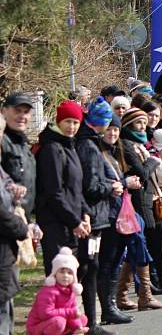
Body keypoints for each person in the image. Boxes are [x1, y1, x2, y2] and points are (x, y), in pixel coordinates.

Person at [73, 98, 124, 335]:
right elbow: (90, 186)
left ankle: (91, 320)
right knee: (88, 268)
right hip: (92, 216)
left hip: (95, 215)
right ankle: (88, 322)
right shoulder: (89, 147)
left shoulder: (87, 143)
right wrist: (110, 186)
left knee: (91, 267)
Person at [118, 107, 162, 310]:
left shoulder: (139, 143)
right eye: (138, 123)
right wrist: (153, 161)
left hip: (148, 196)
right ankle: (141, 292)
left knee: (144, 243)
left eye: (143, 122)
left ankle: (135, 292)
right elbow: (142, 172)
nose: (143, 125)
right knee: (142, 242)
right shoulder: (127, 145)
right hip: (137, 199)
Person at [36, 100, 91, 276]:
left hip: (71, 222)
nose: (72, 127)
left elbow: (76, 188)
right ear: (59, 121)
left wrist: (85, 213)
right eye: (67, 121)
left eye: (76, 122)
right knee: (58, 277)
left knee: (74, 277)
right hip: (55, 223)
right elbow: (54, 192)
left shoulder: (70, 145)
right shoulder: (52, 149)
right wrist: (74, 221)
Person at [95, 114, 140, 326]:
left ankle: (111, 305)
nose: (112, 133)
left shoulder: (112, 153)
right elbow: (97, 182)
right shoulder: (97, 152)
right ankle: (107, 307)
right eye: (109, 129)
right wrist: (125, 181)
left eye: (115, 129)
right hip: (106, 215)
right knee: (107, 262)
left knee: (115, 262)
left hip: (117, 212)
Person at [0, 114, 31, 335]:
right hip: (4, 242)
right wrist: (21, 227)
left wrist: (15, 192)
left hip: (6, 250)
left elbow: (7, 184)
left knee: (7, 306)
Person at [26, 247, 88, 335]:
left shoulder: (71, 291)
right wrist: (71, 313)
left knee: (82, 319)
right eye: (62, 272)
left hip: (56, 321)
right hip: (38, 326)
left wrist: (78, 327)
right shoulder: (48, 292)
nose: (65, 276)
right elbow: (45, 314)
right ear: (55, 273)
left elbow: (72, 312)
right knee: (59, 322)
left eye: (70, 273)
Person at [1, 93, 37, 218]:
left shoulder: (23, 145)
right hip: (7, 219)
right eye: (17, 111)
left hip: (21, 220)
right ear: (4, 111)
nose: (22, 116)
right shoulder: (3, 142)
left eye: (26, 112)